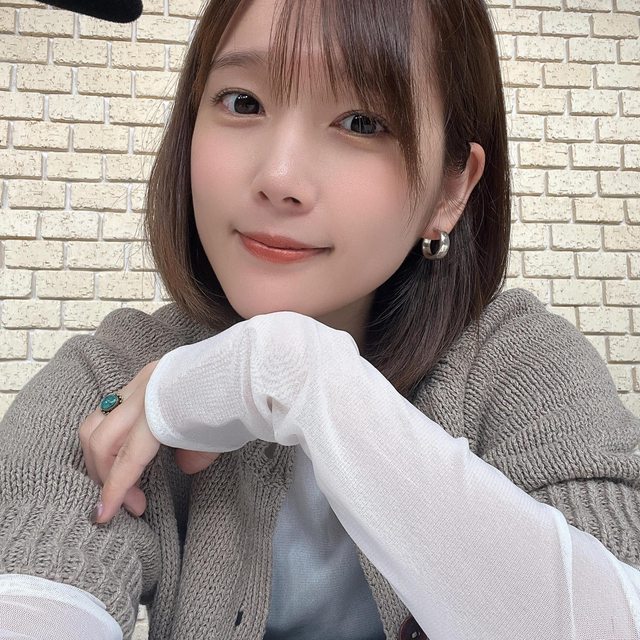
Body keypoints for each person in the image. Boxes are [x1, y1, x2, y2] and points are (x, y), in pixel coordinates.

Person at [1, 0, 639, 638]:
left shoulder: (525, 368)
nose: (278, 178)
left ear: (451, 190)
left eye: (361, 122)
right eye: (243, 102)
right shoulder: (114, 376)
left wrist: (296, 373)